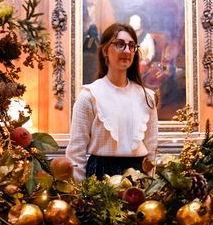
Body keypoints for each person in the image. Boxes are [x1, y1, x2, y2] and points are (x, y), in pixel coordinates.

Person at [66, 23, 159, 181]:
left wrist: (150, 185)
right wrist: (82, 194)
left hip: (138, 178)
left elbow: (151, 150)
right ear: (105, 51)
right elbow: (76, 152)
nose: (127, 51)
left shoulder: (147, 97)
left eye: (131, 46)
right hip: (100, 177)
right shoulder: (89, 96)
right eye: (120, 44)